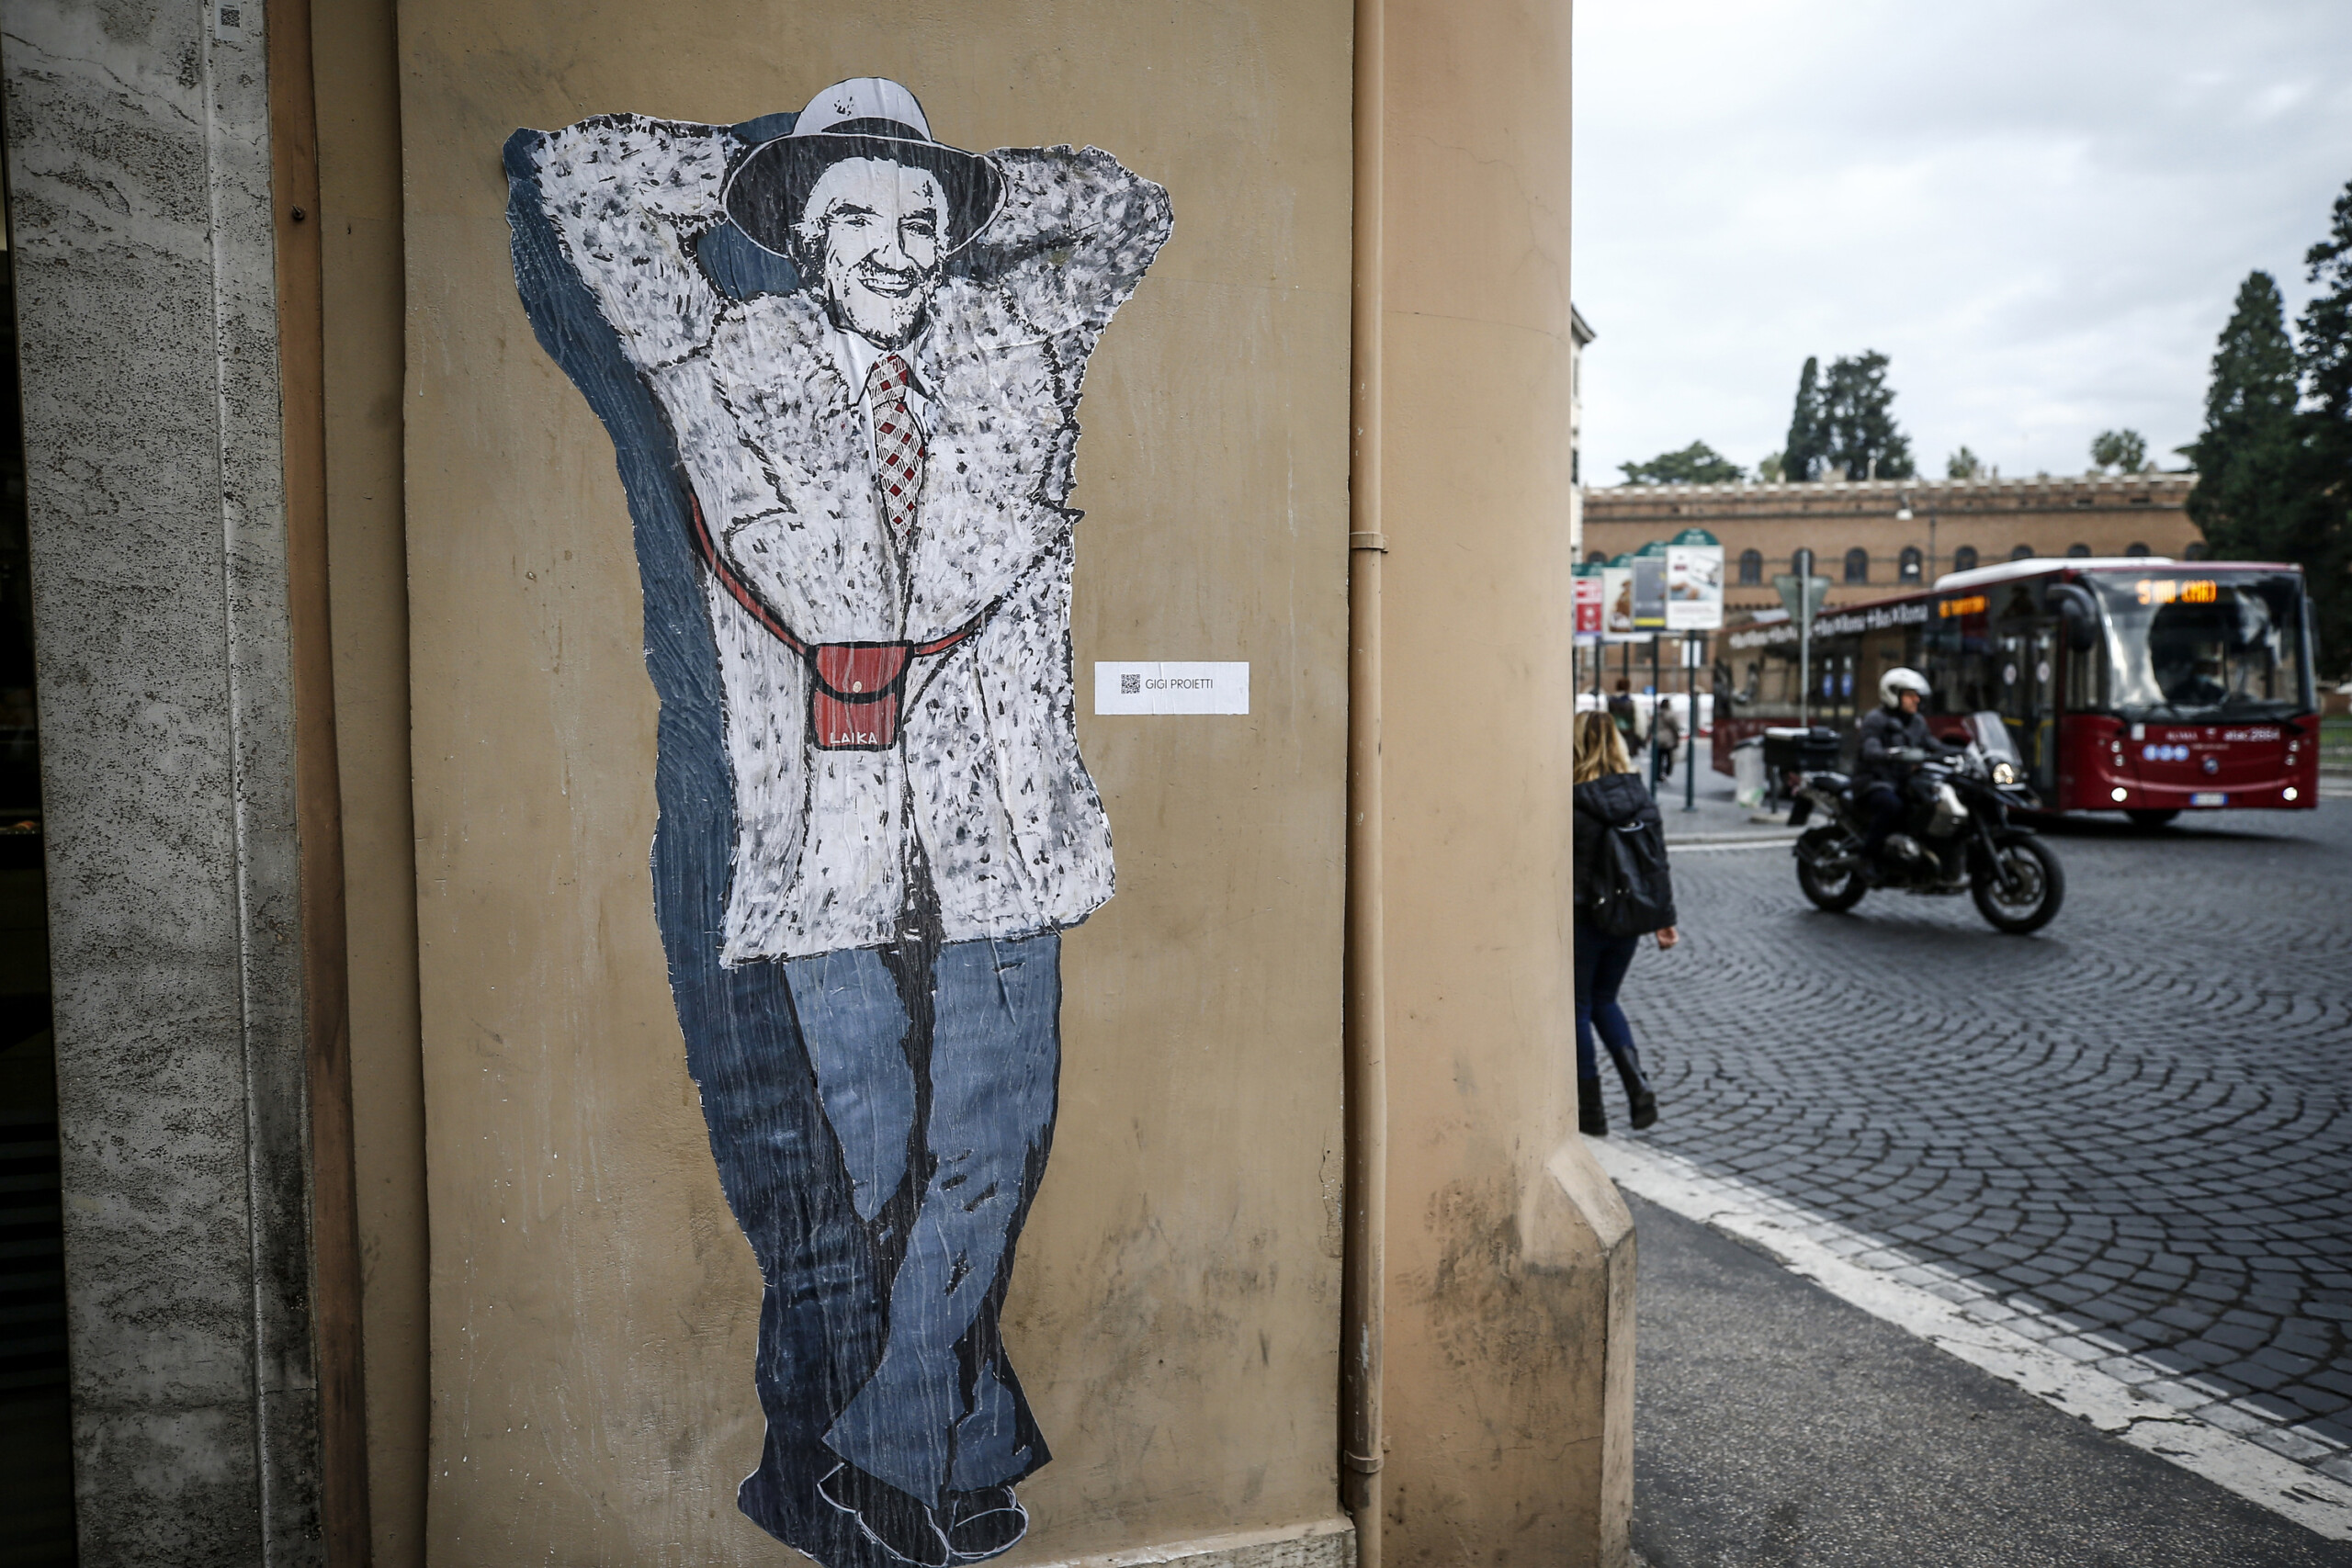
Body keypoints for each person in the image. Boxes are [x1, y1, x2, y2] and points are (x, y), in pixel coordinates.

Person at [512, 78, 1171, 1567]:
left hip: (1003, 835)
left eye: (922, 218)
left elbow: (1126, 212)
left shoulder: (1015, 352)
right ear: (798, 237)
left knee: (987, 1154)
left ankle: (883, 1468)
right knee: (883, 1178)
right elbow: (582, 188)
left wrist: (956, 172)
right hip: (826, 851)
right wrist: (763, 161)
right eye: (854, 217)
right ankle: (968, 1440)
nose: (894, 244)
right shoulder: (716, 358)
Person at [1572, 710, 1679, 1136]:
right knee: (1605, 1000)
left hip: (1584, 916)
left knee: (1578, 1007)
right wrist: (1664, 920)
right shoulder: (1640, 797)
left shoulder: (1572, 798)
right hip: (1629, 919)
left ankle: (1590, 1110)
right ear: (1617, 743)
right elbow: (1656, 865)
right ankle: (1637, 1086)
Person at [1854, 667, 1957, 878]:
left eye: (1917, 695)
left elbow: (1931, 744)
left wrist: (1965, 752)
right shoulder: (1876, 719)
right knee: (1891, 805)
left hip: (1902, 780)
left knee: (1931, 802)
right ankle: (1866, 858)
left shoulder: (1917, 721)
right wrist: (1888, 754)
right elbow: (1870, 749)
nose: (1916, 700)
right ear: (1893, 694)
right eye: (1910, 695)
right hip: (1874, 781)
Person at [1654, 694, 1682, 783]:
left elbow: (1651, 727)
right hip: (1669, 740)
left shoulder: (1656, 715)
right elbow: (1676, 727)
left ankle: (1658, 774)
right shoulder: (1671, 715)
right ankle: (1666, 772)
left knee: (1658, 758)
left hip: (1658, 739)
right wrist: (1677, 738)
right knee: (1669, 758)